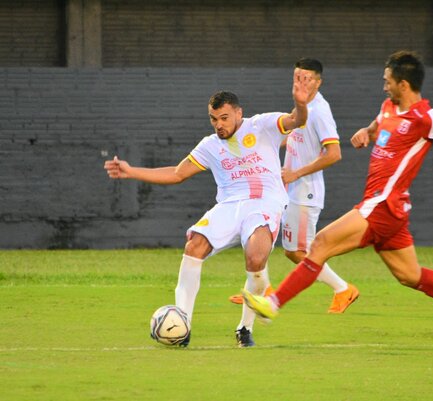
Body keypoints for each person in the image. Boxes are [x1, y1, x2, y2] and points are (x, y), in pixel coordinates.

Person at [242, 50, 433, 342]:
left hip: (382, 204)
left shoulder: (428, 118)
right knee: (409, 276)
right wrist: (367, 131)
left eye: (388, 81)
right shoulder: (389, 107)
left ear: (403, 84)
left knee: (320, 243)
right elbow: (379, 127)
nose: (384, 85)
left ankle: (274, 303)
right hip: (390, 210)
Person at [104, 70, 314, 348]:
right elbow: (178, 173)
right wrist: (132, 172)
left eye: (224, 118)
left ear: (239, 113)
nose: (219, 124)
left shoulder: (262, 125)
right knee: (194, 246)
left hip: (264, 204)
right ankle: (183, 324)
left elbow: (297, 120)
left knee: (255, 257)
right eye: (214, 119)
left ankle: (244, 328)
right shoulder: (210, 145)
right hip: (228, 206)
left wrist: (301, 103)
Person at [229, 58, 360, 313]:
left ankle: (343, 288)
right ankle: (260, 289)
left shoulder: (320, 112)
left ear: (318, 82)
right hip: (289, 188)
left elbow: (334, 154)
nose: (301, 82)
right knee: (265, 232)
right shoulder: (303, 106)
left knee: (299, 252)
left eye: (307, 78)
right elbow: (293, 137)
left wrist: (295, 173)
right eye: (297, 77)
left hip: (304, 191)